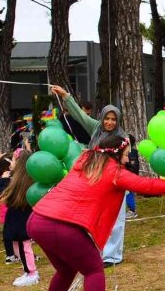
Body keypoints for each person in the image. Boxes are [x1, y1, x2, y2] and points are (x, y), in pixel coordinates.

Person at [28, 134, 165, 291]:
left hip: (38, 219)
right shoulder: (114, 172)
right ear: (117, 153)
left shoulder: (85, 162)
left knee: (66, 270)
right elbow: (146, 185)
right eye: (126, 154)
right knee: (93, 269)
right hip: (60, 224)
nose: (128, 159)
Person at [50, 85, 129, 266]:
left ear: (118, 121)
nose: (109, 122)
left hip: (116, 181)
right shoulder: (96, 128)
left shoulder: (122, 137)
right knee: (97, 217)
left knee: (116, 220)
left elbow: (124, 162)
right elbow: (79, 115)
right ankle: (99, 252)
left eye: (113, 119)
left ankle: (113, 256)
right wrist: (65, 96)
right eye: (106, 118)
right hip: (96, 180)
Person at [0, 151, 40, 286]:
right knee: (17, 245)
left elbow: (6, 194)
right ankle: (27, 270)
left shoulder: (22, 182)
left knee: (24, 246)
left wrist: (4, 180)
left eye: (13, 160)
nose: (11, 163)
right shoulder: (16, 179)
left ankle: (32, 273)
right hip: (14, 219)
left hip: (20, 220)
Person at [0, 153, 18, 263]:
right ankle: (11, 255)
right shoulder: (5, 177)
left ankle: (17, 254)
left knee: (15, 232)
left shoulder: (7, 175)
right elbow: (2, 191)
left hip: (10, 207)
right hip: (8, 208)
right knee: (9, 232)